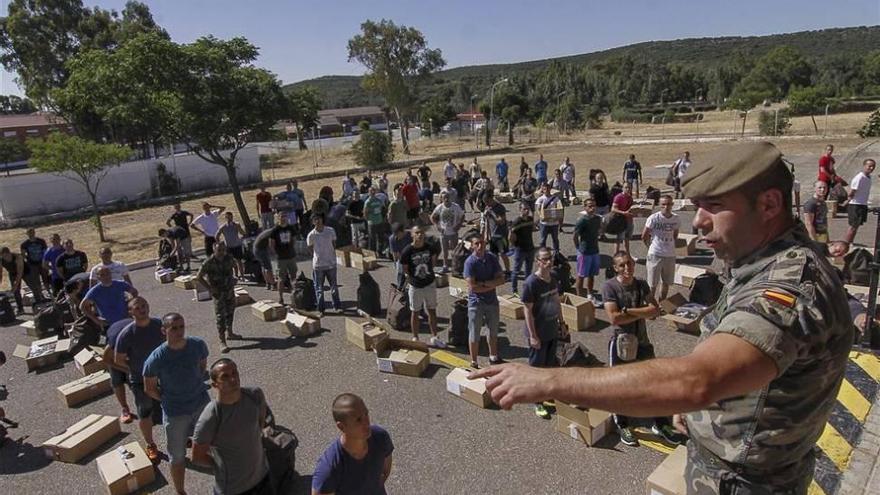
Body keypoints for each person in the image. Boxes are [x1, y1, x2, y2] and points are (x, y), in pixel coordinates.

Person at [472, 141, 853, 493]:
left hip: (746, 482)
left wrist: (547, 381)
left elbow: (698, 380)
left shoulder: (789, 288)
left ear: (769, 205)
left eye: (714, 205)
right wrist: (698, 414)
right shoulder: (761, 259)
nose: (699, 222)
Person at [143, 313, 210, 495]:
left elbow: (202, 367)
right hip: (175, 412)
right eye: (174, 328)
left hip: (201, 404)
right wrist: (167, 399)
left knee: (213, 442)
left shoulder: (197, 345)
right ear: (164, 330)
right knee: (177, 456)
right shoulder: (156, 358)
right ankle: (180, 491)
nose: (179, 331)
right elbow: (149, 387)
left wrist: (195, 384)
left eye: (181, 327)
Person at [192, 358, 272, 495]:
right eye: (225, 376)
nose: (233, 379)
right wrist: (221, 467)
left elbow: (260, 425)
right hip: (233, 489)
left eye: (235, 373)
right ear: (215, 384)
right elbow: (197, 457)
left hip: (263, 477)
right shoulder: (211, 417)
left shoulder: (254, 395)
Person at [114, 297, 165, 463]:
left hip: (163, 376)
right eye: (137, 308)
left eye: (144, 306)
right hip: (140, 380)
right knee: (145, 412)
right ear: (131, 312)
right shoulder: (127, 334)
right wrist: (135, 370)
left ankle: (179, 436)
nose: (142, 309)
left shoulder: (160, 325)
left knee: (171, 406)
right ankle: (150, 444)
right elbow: (118, 359)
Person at [312, 393, 394, 495]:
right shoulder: (330, 466)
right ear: (341, 427)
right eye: (358, 420)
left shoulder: (381, 437)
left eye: (366, 414)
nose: (366, 422)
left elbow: (385, 471)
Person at [521, 247, 565, 419]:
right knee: (536, 368)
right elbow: (527, 311)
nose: (548, 262)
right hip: (538, 332)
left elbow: (556, 300)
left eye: (550, 259)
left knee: (548, 365)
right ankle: (537, 401)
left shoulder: (553, 278)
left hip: (551, 330)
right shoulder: (531, 283)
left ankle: (546, 394)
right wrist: (533, 335)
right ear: (538, 262)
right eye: (545, 259)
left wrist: (561, 322)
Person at [463, 234, 505, 368]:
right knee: (474, 332)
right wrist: (492, 284)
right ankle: (474, 361)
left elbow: (502, 279)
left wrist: (485, 283)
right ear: (472, 246)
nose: (480, 246)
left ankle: (493, 356)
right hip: (476, 303)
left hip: (491, 301)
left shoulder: (491, 258)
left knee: (493, 330)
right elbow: (473, 288)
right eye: (477, 244)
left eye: (482, 243)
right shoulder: (470, 262)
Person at [399, 226, 445, 347]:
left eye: (422, 233)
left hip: (429, 284)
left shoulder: (430, 247)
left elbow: (434, 261)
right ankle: (415, 338)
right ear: (412, 235)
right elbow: (405, 268)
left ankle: (434, 337)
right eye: (417, 233)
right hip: (415, 286)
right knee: (415, 312)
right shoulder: (407, 251)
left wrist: (428, 273)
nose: (420, 235)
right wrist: (413, 278)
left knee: (432, 310)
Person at [196, 242, 241, 353]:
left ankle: (230, 333)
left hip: (229, 290)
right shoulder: (208, 262)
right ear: (214, 250)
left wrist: (236, 276)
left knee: (230, 311)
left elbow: (235, 265)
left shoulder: (228, 258)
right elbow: (199, 277)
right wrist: (210, 289)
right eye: (219, 250)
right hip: (218, 293)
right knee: (220, 316)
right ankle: (222, 341)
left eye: (223, 250)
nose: (221, 252)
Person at [642, 195, 680, 301]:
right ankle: (651, 307)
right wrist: (650, 247)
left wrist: (670, 245)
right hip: (655, 254)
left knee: (666, 283)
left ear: (672, 205)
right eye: (663, 204)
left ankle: (661, 305)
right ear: (659, 205)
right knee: (652, 285)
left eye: (668, 204)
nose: (666, 206)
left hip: (670, 255)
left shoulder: (676, 219)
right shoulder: (654, 218)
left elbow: (675, 234)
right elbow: (644, 236)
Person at [307, 214, 342, 314]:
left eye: (319, 219)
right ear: (313, 222)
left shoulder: (330, 231)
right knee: (319, 289)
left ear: (322, 219)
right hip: (318, 266)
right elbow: (310, 249)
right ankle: (321, 309)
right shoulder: (311, 235)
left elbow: (334, 244)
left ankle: (337, 306)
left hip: (331, 263)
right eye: (315, 220)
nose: (317, 221)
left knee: (334, 287)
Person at [105, 316, 135, 424]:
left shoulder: (147, 333)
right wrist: (127, 369)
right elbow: (108, 360)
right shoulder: (115, 341)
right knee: (117, 380)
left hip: (130, 353)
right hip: (112, 357)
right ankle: (124, 408)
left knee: (135, 381)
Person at [573, 198, 602, 297]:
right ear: (585, 207)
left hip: (595, 251)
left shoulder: (598, 219)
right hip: (584, 252)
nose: (592, 208)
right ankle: (579, 297)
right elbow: (575, 236)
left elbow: (599, 231)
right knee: (581, 275)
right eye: (590, 206)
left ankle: (590, 294)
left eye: (594, 206)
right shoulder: (582, 221)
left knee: (592, 274)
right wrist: (578, 249)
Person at [431, 191, 465, 272]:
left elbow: (462, 215)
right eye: (444, 197)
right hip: (444, 233)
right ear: (441, 199)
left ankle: (455, 266)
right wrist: (437, 226)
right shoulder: (440, 207)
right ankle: (445, 266)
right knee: (445, 250)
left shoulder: (456, 207)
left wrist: (459, 225)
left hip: (453, 232)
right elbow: (432, 217)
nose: (446, 199)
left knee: (454, 251)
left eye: (447, 197)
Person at [270, 213, 299, 306]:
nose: (283, 218)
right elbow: (272, 244)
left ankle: (295, 297)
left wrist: (291, 250)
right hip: (281, 258)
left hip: (291, 256)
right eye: (281, 217)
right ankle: (280, 297)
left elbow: (294, 239)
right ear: (278, 218)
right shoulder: (275, 230)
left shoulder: (291, 228)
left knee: (293, 277)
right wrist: (276, 253)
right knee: (281, 278)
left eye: (285, 217)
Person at [845, 158, 876, 244]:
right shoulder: (859, 177)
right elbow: (852, 191)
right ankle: (846, 243)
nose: (871, 168)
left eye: (873, 166)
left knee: (857, 226)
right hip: (855, 204)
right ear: (864, 166)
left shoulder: (868, 177)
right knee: (853, 226)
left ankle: (851, 242)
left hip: (862, 204)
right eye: (869, 166)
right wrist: (848, 199)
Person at [509, 203, 535, 297]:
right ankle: (514, 290)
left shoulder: (530, 219)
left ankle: (527, 290)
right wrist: (514, 245)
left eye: (528, 209)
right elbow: (510, 237)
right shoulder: (516, 222)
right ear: (520, 210)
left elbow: (532, 229)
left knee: (528, 271)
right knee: (516, 271)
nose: (527, 211)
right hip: (520, 250)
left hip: (530, 248)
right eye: (524, 209)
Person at [481, 192, 510, 273]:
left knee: (503, 254)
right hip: (492, 235)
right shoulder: (487, 208)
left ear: (491, 199)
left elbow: (501, 221)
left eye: (487, 201)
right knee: (494, 255)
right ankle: (497, 270)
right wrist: (486, 235)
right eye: (485, 202)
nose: (486, 204)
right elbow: (487, 222)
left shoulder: (500, 207)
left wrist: (492, 213)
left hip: (501, 235)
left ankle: (508, 271)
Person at [19, 228, 47, 303]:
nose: (31, 234)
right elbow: (23, 254)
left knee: (45, 279)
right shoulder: (24, 244)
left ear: (34, 232)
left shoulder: (41, 241)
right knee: (36, 281)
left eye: (32, 232)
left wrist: (45, 261)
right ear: (27, 234)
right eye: (29, 233)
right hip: (32, 264)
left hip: (41, 262)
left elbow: (45, 252)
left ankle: (49, 294)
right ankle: (41, 296)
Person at [216, 212, 247, 278]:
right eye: (228, 217)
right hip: (229, 246)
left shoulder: (236, 224)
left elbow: (243, 233)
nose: (229, 219)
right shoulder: (223, 227)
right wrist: (219, 244)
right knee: (231, 262)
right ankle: (234, 275)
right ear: (226, 218)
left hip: (237, 245)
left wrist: (239, 229)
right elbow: (217, 235)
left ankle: (242, 276)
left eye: (230, 217)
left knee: (239, 261)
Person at [534, 182, 562, 252]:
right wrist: (540, 216)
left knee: (555, 239)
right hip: (544, 223)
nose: (546, 190)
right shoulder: (540, 199)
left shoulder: (555, 198)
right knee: (543, 239)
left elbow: (559, 207)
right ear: (543, 190)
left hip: (554, 223)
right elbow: (538, 209)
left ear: (550, 189)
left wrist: (559, 218)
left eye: (547, 189)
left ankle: (556, 253)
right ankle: (542, 252)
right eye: (544, 189)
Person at [611, 182, 635, 253]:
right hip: (621, 222)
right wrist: (624, 213)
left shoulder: (630, 197)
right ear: (622, 188)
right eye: (626, 187)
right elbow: (613, 209)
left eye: (629, 188)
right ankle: (615, 256)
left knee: (627, 239)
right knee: (619, 239)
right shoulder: (618, 197)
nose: (627, 189)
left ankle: (627, 255)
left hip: (629, 221)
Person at [0, 247, 26, 314]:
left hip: (25, 271)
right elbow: (0, 273)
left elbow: (19, 273)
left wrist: (15, 286)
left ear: (9, 253)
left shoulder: (17, 257)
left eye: (6, 256)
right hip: (12, 273)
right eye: (3, 256)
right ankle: (21, 309)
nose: (5, 258)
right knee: (16, 292)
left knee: (33, 286)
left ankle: (40, 302)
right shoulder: (1, 260)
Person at [364, 187, 388, 254]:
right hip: (372, 223)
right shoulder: (368, 202)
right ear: (369, 192)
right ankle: (372, 253)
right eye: (371, 191)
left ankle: (379, 251)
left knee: (380, 238)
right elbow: (365, 213)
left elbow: (382, 208)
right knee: (372, 239)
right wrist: (369, 220)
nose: (372, 192)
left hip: (379, 221)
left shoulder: (378, 200)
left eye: (373, 191)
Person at [252, 225, 277, 291]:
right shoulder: (273, 233)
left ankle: (268, 283)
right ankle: (273, 284)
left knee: (264, 266)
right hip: (260, 250)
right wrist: (276, 254)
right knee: (268, 267)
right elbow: (271, 245)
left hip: (257, 248)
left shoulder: (270, 231)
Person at [388, 223, 412, 289]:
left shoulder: (411, 236)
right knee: (400, 270)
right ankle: (400, 288)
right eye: (395, 234)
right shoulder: (392, 238)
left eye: (398, 234)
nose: (397, 237)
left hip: (411, 256)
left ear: (403, 231)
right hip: (401, 257)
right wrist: (396, 264)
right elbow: (395, 254)